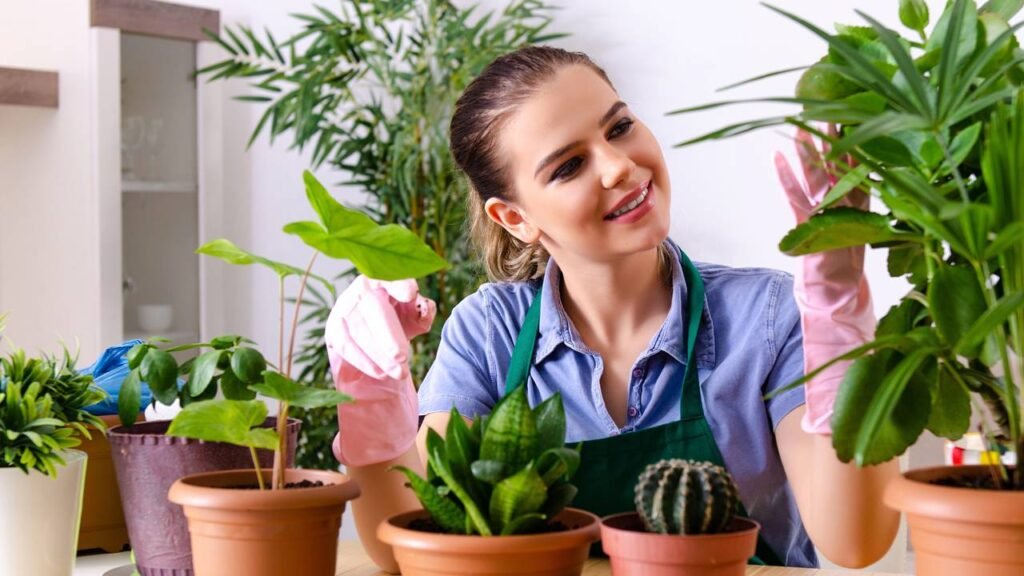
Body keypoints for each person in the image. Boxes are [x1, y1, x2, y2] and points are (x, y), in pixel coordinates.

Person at [325, 46, 899, 572]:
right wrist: (369, 399)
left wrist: (839, 303)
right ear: (516, 219)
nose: (619, 165)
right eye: (568, 166)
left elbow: (855, 541)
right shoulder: (490, 333)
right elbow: (403, 548)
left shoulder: (767, 317)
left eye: (619, 127)